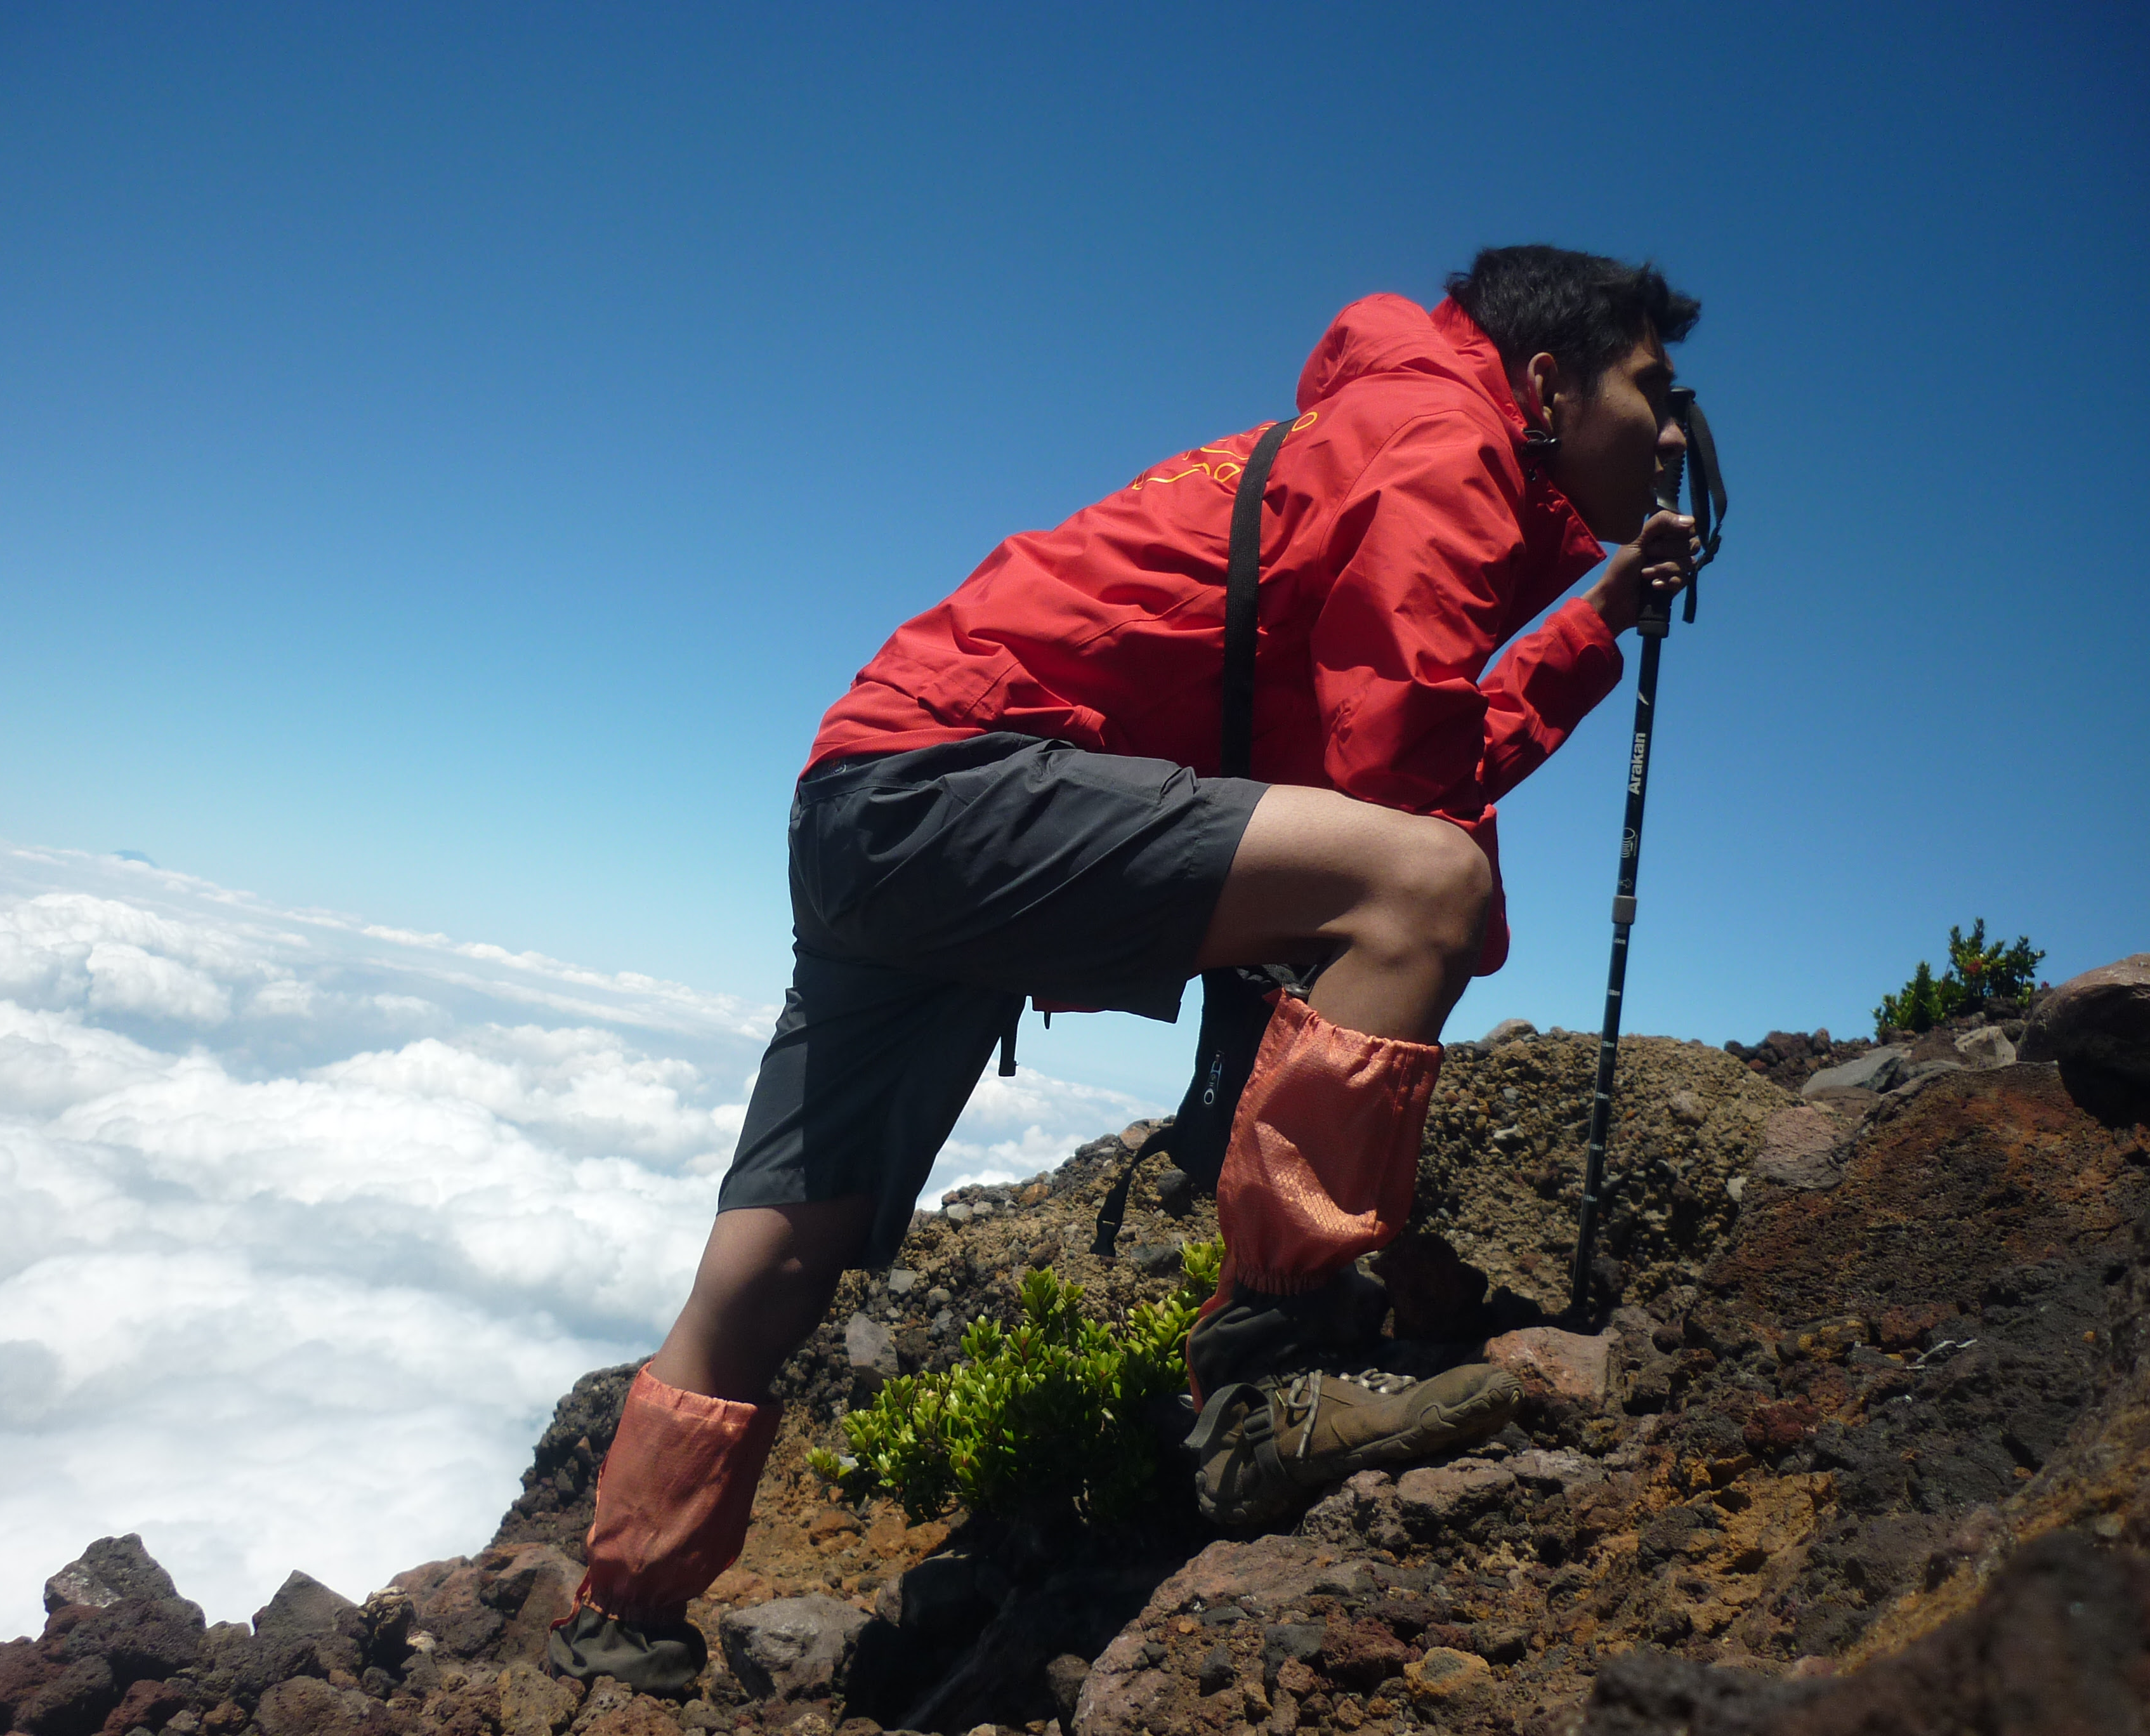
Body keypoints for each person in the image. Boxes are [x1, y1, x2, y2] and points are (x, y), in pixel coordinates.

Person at [551, 244, 1704, 1689]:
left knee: (784, 1246)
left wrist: (1585, 618)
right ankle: (1266, 1392)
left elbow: (1349, 765)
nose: (1671, 431)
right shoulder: (1449, 447)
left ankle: (620, 1611)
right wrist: (1444, 918)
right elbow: (1404, 797)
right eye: (1652, 388)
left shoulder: (1380, 427)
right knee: (1431, 889)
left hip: (873, 794)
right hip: (968, 792)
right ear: (1545, 381)